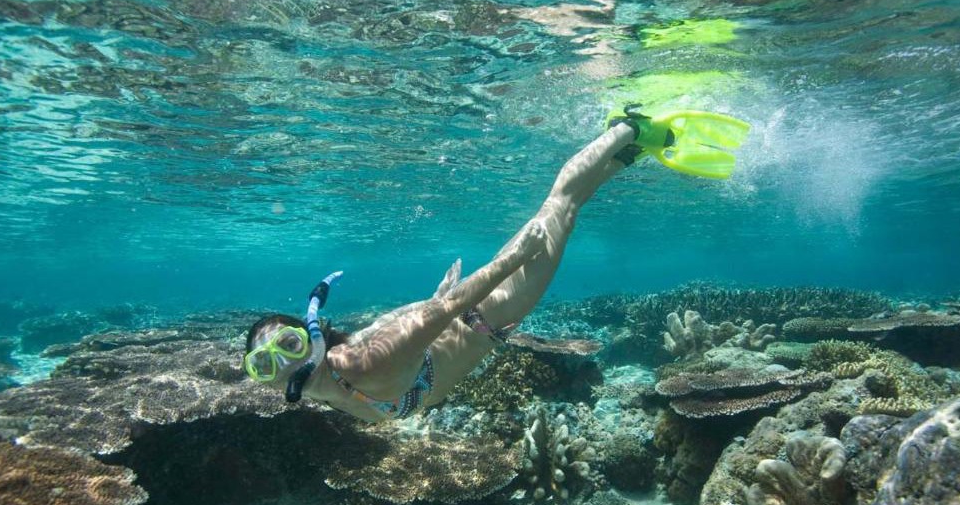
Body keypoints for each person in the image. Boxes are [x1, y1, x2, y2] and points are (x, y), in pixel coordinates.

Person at [243, 108, 750, 422]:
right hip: (474, 314)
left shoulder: (364, 364)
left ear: (309, 337)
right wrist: (437, 297)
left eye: (286, 345)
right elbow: (417, 319)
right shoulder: (335, 383)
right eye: (264, 363)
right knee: (564, 209)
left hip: (493, 308)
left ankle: (627, 127)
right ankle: (628, 151)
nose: (282, 365)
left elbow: (438, 319)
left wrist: (513, 259)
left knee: (560, 207)